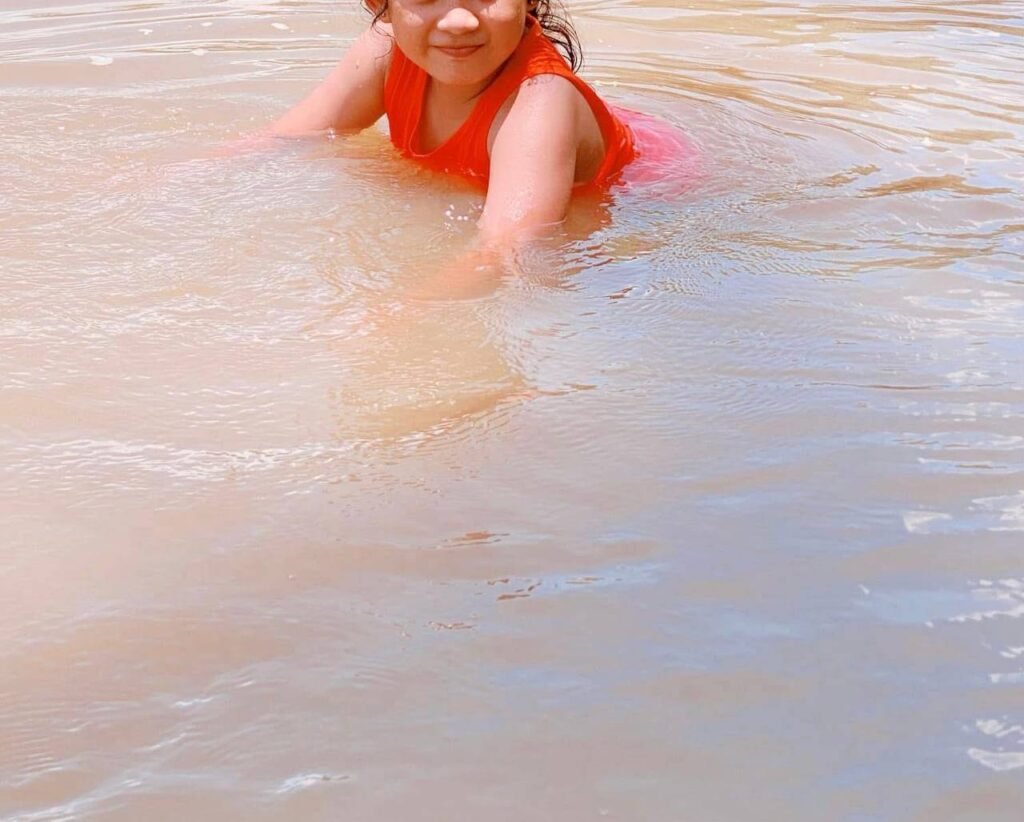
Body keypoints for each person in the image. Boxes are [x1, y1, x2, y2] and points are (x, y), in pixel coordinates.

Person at [270, 0, 646, 245]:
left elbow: (511, 251)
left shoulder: (542, 98)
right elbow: (288, 140)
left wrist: (399, 318)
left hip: (648, 186)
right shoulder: (384, 49)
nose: (458, 21)